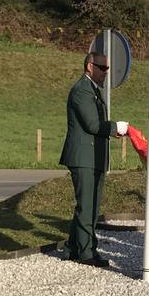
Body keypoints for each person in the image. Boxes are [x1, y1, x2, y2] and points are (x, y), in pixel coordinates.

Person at [60, 52, 127, 267]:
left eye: (107, 68)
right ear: (90, 66)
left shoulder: (93, 91)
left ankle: (72, 247)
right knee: (87, 206)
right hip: (83, 157)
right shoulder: (82, 90)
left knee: (90, 205)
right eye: (102, 68)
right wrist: (116, 127)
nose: (106, 72)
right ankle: (87, 252)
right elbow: (93, 125)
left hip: (93, 158)